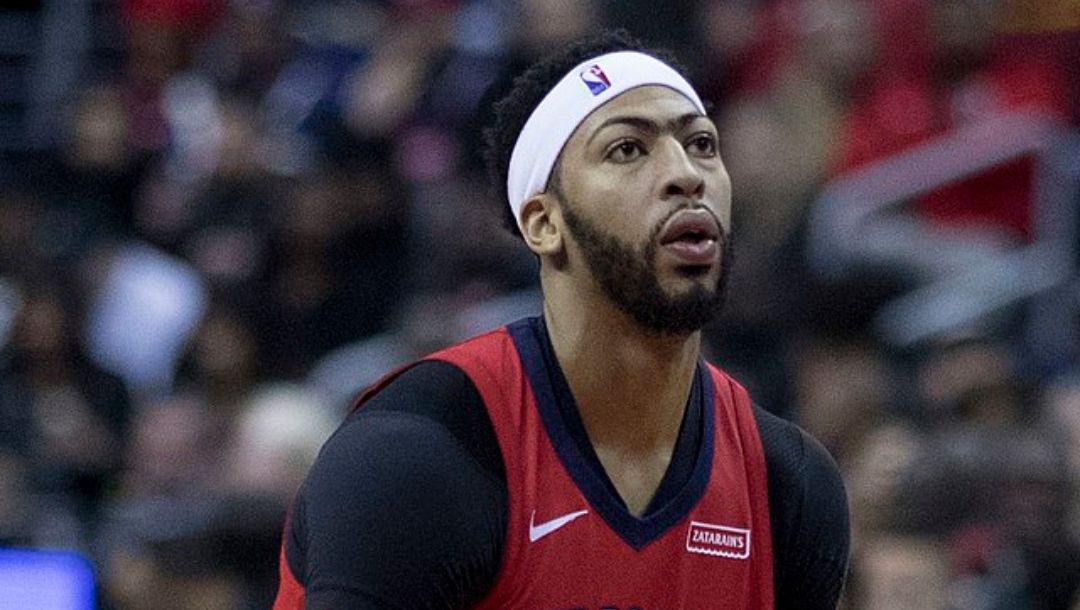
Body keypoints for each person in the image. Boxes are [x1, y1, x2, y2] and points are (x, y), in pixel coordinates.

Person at [273, 29, 849, 609]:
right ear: (544, 224)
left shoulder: (788, 487)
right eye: (627, 149)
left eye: (701, 144)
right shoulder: (423, 454)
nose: (686, 174)